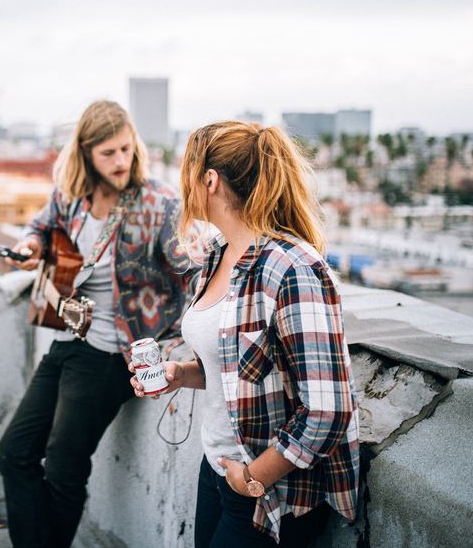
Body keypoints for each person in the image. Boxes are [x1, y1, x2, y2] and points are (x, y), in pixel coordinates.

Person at [131, 121, 359, 548]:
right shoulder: (219, 255)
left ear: (210, 180)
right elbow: (238, 366)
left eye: (187, 172)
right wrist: (181, 374)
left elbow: (327, 411)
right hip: (218, 471)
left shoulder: (293, 269)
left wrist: (252, 478)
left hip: (267, 492)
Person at [0, 99, 198, 548]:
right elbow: (42, 226)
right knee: (13, 453)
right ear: (86, 153)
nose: (121, 161)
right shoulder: (71, 195)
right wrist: (32, 244)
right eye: (108, 153)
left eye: (126, 149)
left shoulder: (158, 204)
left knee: (64, 468)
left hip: (112, 356)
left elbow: (195, 269)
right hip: (68, 340)